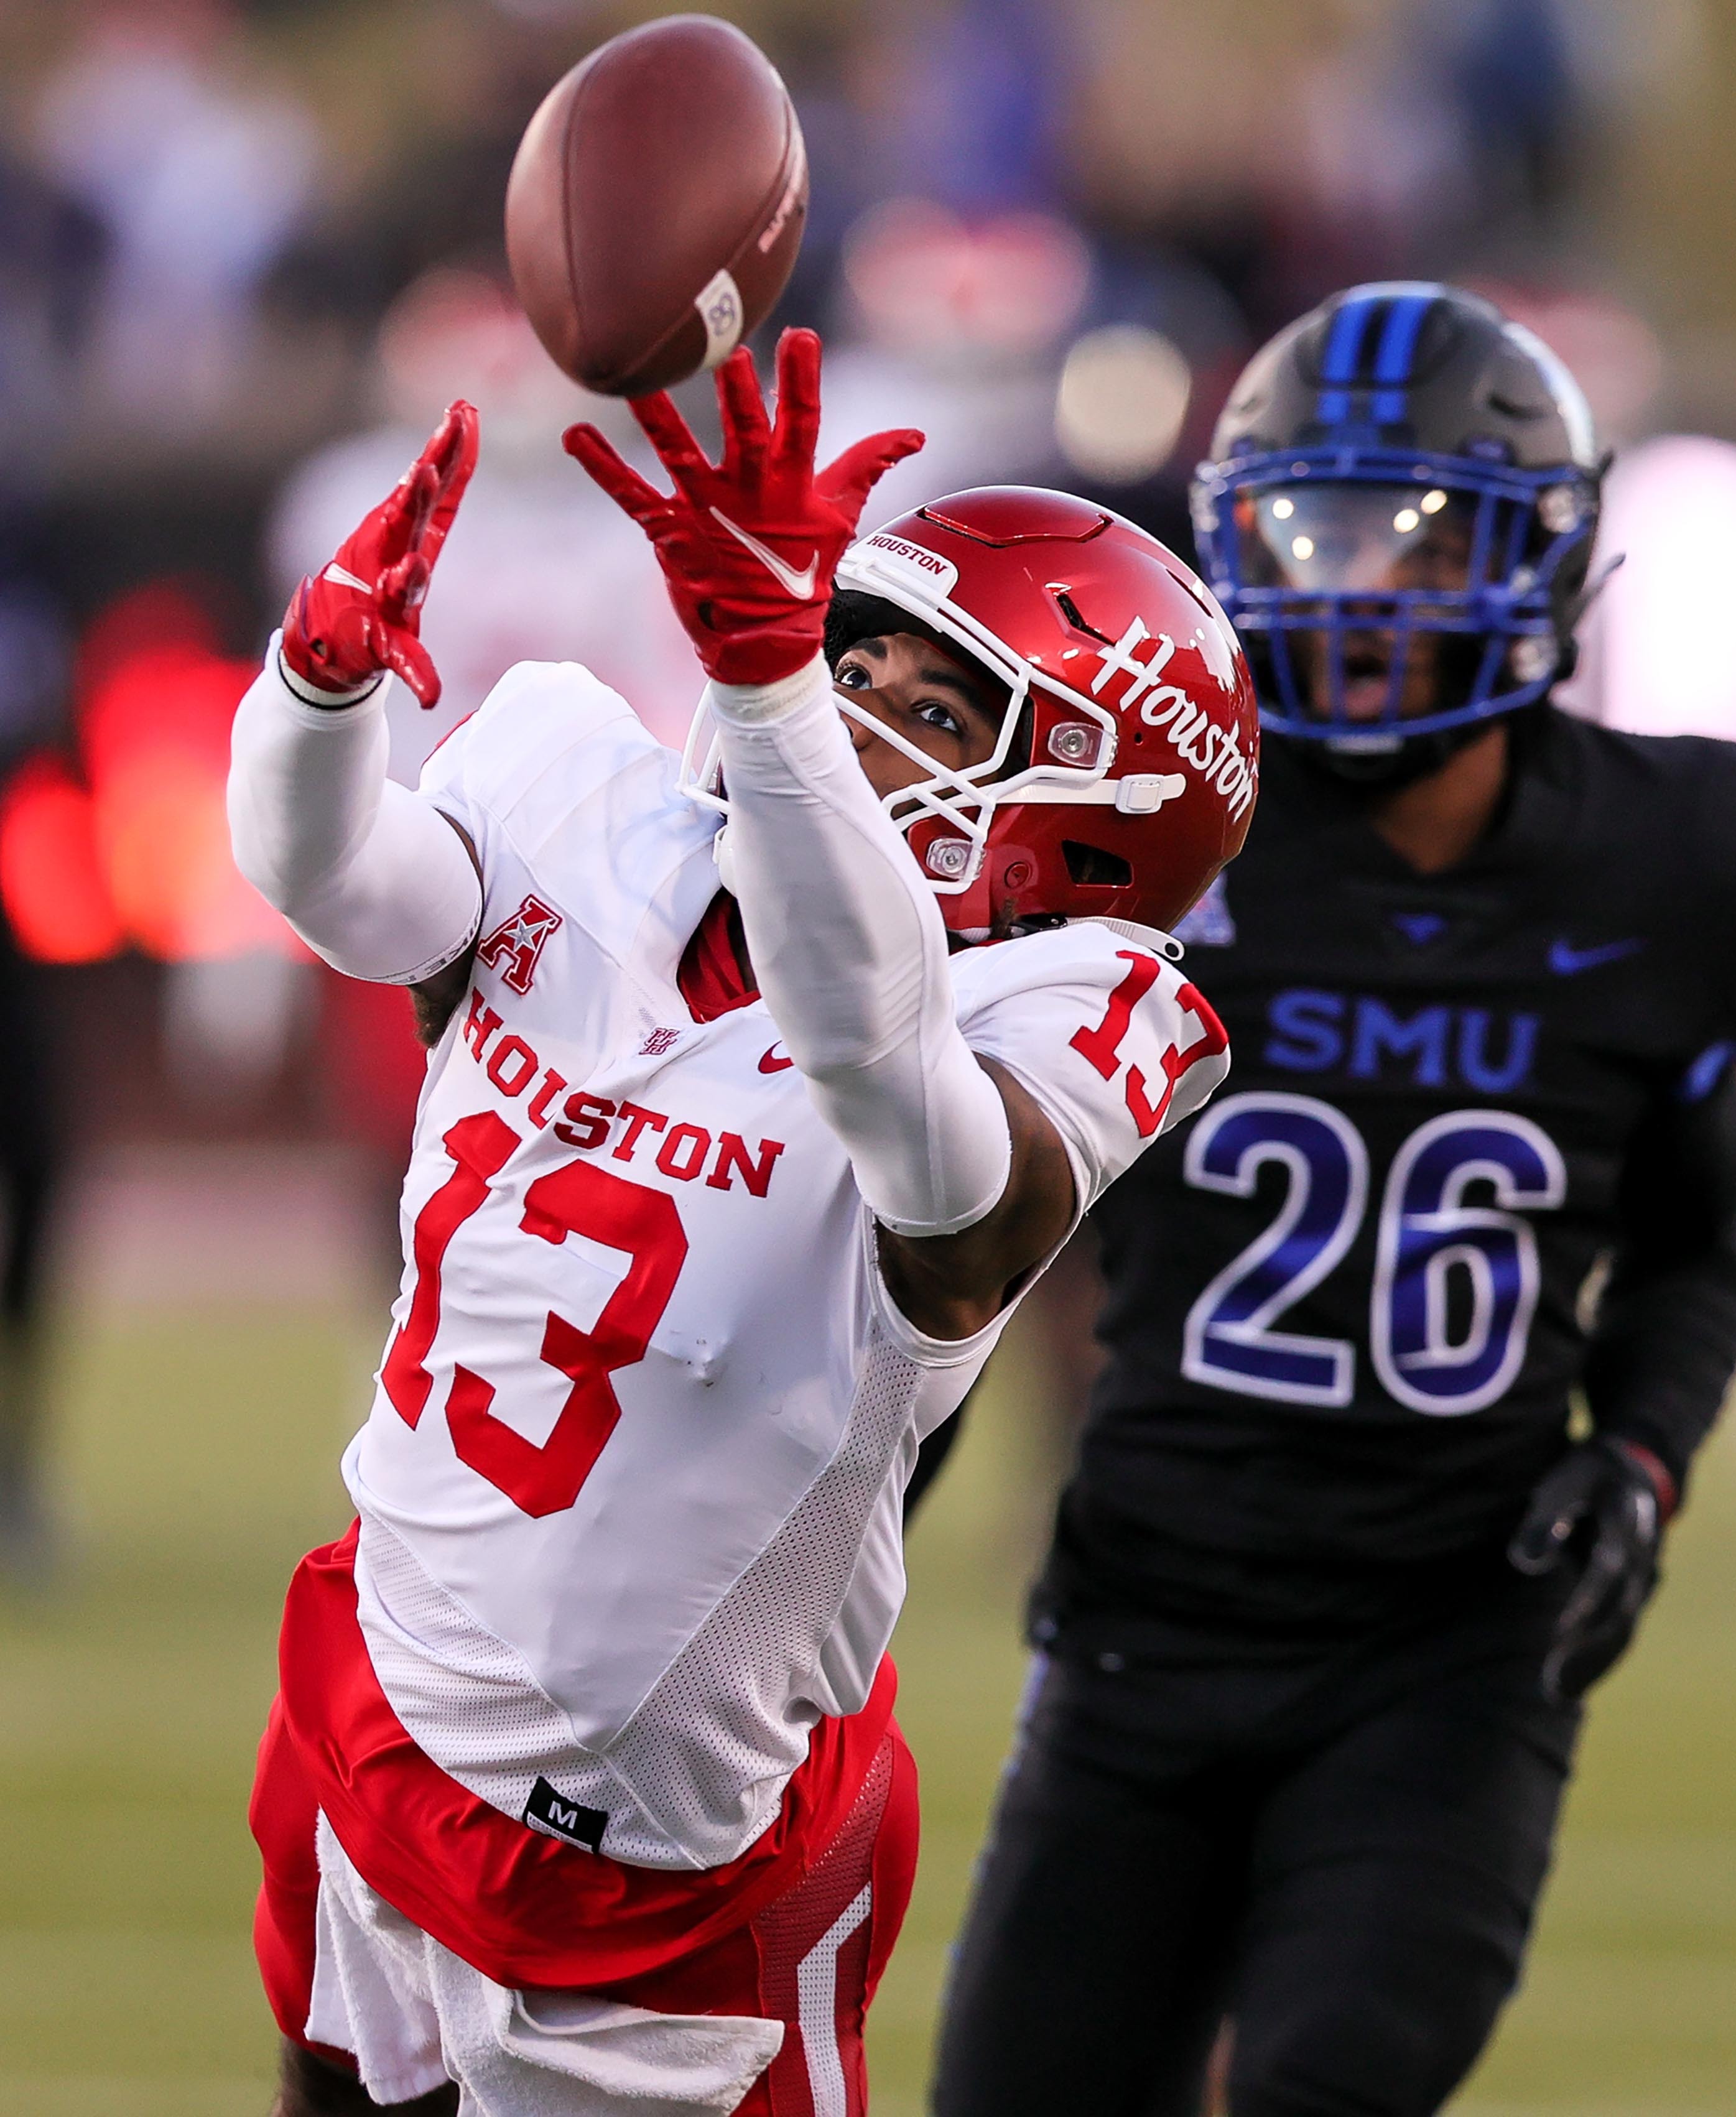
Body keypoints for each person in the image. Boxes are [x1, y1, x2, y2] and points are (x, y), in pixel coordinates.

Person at [226, 328, 1253, 2116]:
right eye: (851, 655)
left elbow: (910, 1117)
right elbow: (335, 881)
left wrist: (776, 694)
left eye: (940, 712)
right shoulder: (586, 790)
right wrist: (319, 693)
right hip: (383, 1658)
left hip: (659, 1848)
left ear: (1086, 831)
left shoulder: (1075, 1009)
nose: (848, 706)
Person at [932, 282, 1736, 2117]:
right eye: (1311, 535)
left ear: (1545, 556)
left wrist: (1639, 1458)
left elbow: (1690, 1251)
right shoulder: (1156, 838)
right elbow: (956, 1206)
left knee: (1328, 2084)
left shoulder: (1685, 854)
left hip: (1449, 1642)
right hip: (1143, 1616)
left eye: (1419, 542)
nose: (1356, 594)